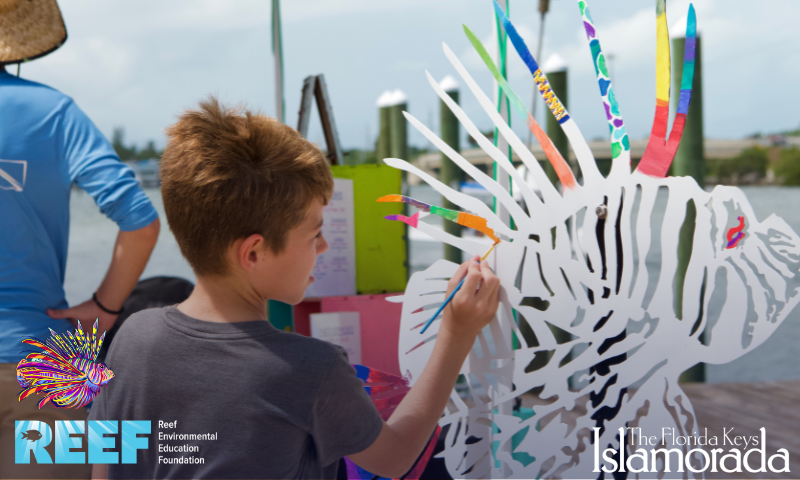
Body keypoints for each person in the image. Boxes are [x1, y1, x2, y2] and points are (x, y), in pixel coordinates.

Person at [89, 98, 500, 479]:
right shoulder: (312, 369)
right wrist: (456, 334)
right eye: (314, 234)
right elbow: (395, 459)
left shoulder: (132, 339)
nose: (324, 246)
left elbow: (105, 464)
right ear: (254, 253)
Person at [0, 1, 160, 478]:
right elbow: (141, 222)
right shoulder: (53, 110)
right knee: (141, 448)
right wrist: (105, 308)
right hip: (46, 360)